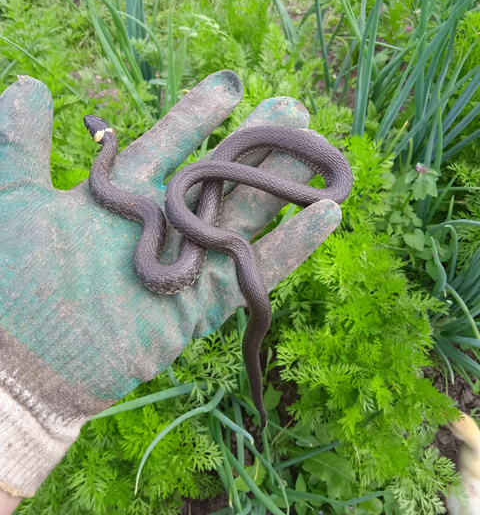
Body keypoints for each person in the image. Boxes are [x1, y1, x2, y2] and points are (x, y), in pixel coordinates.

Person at [0, 71, 342, 514]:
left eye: (97, 131)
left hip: (186, 217)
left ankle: (233, 194)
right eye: (99, 132)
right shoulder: (130, 204)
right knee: (198, 211)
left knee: (204, 204)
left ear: (102, 138)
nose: (94, 132)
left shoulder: (118, 187)